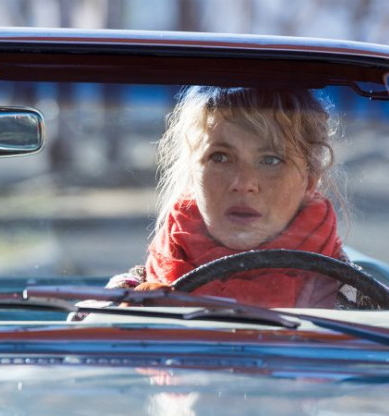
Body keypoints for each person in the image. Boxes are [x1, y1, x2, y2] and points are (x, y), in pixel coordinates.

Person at [105, 86, 371, 309]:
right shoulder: (125, 299)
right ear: (193, 174)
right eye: (220, 157)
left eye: (271, 160)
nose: (243, 184)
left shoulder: (360, 302)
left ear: (309, 181)